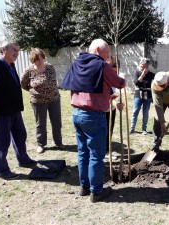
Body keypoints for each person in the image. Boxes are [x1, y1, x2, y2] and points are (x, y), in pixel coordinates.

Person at [60, 39, 126, 202]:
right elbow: (118, 83)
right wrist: (122, 78)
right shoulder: (101, 65)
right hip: (93, 116)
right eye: (107, 53)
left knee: (83, 152)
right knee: (96, 155)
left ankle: (85, 187)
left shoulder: (78, 63)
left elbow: (77, 85)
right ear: (98, 50)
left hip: (77, 113)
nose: (108, 57)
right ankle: (96, 192)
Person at [0, 42, 36, 179]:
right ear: (4, 50)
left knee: (20, 136)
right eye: (14, 50)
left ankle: (23, 160)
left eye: (18, 50)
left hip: (14, 110)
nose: (17, 52)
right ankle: (2, 171)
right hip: (1, 112)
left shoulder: (11, 65)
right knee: (2, 142)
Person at [21, 48, 64, 154]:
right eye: (37, 60)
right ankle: (41, 144)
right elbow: (23, 83)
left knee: (57, 122)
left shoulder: (50, 67)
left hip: (54, 98)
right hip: (38, 101)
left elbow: (53, 81)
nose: (40, 62)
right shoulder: (29, 70)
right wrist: (33, 91)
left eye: (42, 59)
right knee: (40, 124)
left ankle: (58, 142)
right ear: (33, 60)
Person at [105, 55, 125, 158]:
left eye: (116, 72)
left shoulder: (116, 76)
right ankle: (103, 152)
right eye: (112, 71)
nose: (114, 74)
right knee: (103, 131)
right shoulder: (104, 79)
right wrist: (115, 104)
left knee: (110, 130)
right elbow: (107, 98)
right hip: (102, 109)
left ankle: (107, 150)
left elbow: (117, 91)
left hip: (111, 109)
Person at [130, 58, 155, 135]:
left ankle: (144, 129)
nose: (142, 68)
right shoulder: (137, 72)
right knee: (135, 111)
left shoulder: (151, 75)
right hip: (138, 94)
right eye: (141, 66)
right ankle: (132, 128)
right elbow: (136, 83)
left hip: (147, 95)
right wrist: (142, 75)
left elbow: (155, 85)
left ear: (147, 67)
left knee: (145, 112)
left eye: (143, 66)